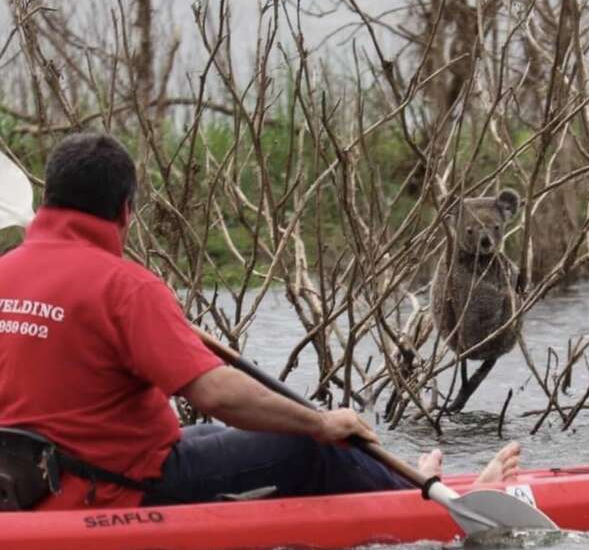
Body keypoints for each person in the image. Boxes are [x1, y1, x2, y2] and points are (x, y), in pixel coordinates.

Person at [0, 132, 521, 510]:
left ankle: (403, 486)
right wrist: (319, 423)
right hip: (115, 487)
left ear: (49, 199)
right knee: (312, 445)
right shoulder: (128, 288)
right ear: (125, 212)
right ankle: (428, 504)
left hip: (31, 482)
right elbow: (216, 394)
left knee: (204, 435)